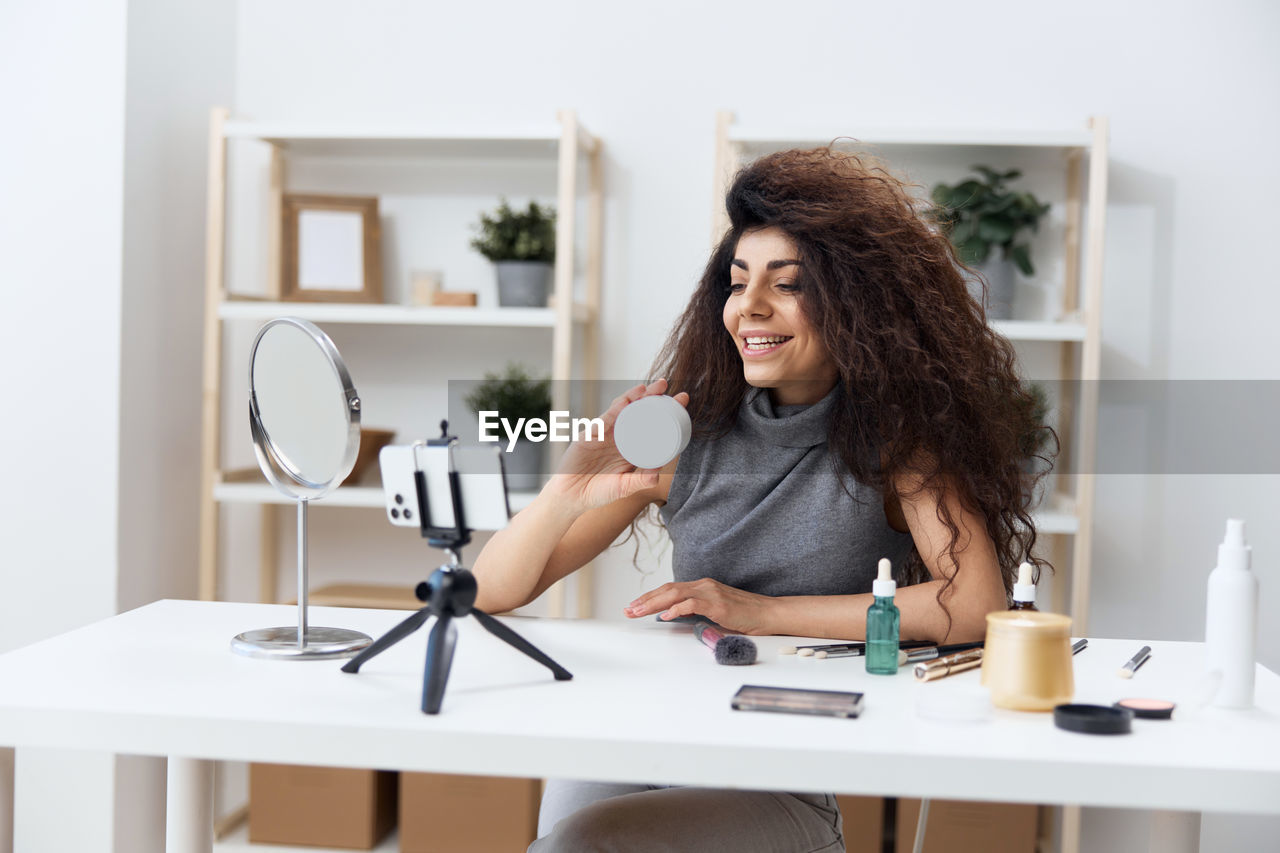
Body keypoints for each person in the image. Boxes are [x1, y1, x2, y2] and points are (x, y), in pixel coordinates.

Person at [472, 147, 1049, 853]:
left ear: (852, 305)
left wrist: (762, 612)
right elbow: (489, 591)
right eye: (738, 282)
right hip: (656, 725)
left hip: (777, 783)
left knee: (579, 845)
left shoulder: (899, 445)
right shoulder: (688, 432)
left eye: (788, 284)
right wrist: (565, 492)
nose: (750, 306)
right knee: (565, 828)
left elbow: (973, 604)